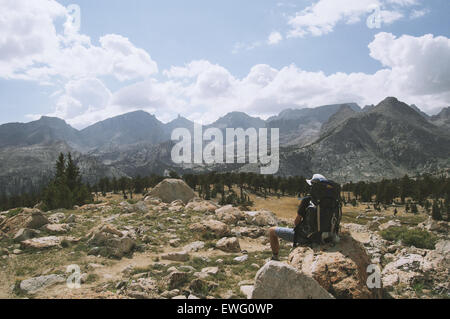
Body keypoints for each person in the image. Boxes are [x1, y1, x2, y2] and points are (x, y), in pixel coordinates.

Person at [268, 174, 328, 261]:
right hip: (326, 237)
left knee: (272, 231)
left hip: (307, 237)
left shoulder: (307, 200)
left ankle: (275, 257)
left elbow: (296, 222)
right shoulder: (330, 202)